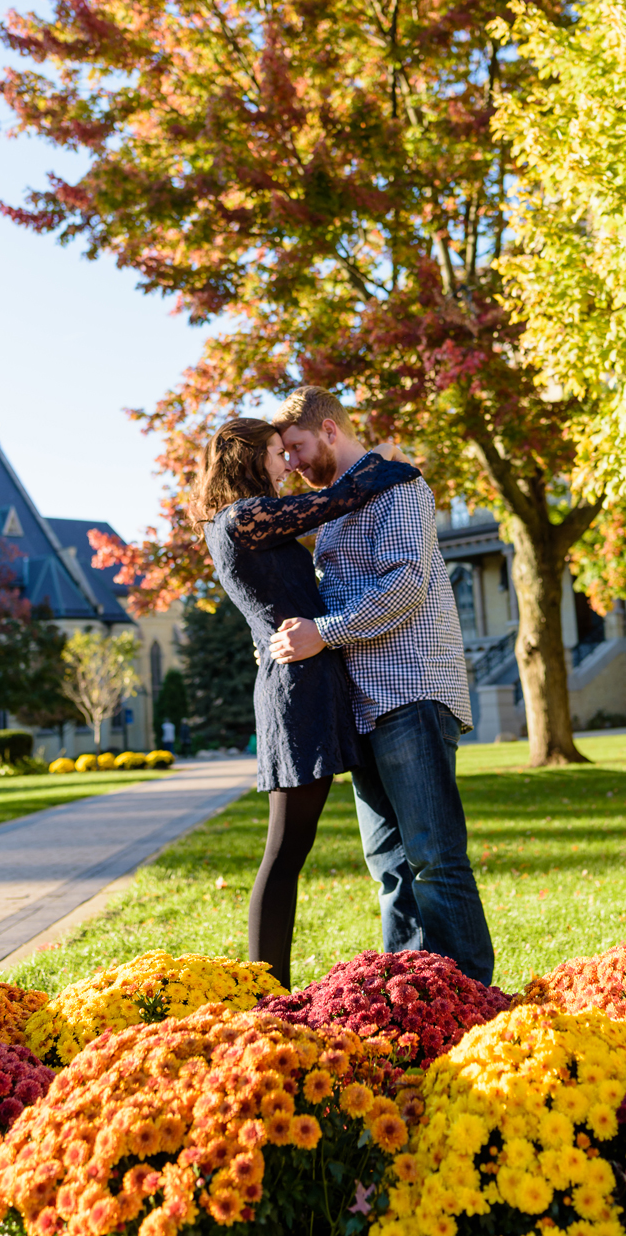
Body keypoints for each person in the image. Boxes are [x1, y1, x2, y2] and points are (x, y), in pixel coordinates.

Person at [266, 386, 495, 984]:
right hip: (363, 706)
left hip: (409, 692)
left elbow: (405, 586)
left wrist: (326, 632)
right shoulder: (339, 506)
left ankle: (472, 995)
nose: (290, 464)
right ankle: (412, 994)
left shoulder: (397, 487)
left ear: (330, 430)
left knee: (434, 857)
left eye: (296, 447)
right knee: (391, 867)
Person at [195, 418, 419, 989]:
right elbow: (338, 499)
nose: (287, 463)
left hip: (316, 682)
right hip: (296, 693)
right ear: (248, 460)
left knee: (358, 842)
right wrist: (393, 466)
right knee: (286, 849)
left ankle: (412, 959)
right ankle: (266, 989)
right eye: (277, 453)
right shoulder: (243, 518)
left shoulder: (246, 523)